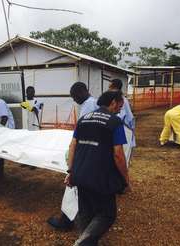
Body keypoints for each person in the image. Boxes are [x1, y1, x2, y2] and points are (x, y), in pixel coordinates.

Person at [65, 90, 129, 246]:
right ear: (113, 102)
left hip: (80, 173)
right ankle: (82, 242)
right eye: (119, 106)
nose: (120, 110)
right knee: (107, 214)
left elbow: (73, 145)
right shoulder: (114, 122)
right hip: (101, 176)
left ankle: (87, 241)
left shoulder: (84, 119)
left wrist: (71, 171)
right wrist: (126, 179)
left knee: (86, 212)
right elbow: (118, 154)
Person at [47, 82, 98, 230]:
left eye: (75, 97)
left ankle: (66, 221)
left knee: (73, 185)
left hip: (85, 152)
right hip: (94, 152)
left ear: (82, 92)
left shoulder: (88, 106)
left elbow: (82, 133)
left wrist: (73, 156)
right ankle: (87, 216)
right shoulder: (94, 103)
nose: (74, 100)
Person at [109, 78, 136, 147]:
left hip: (124, 131)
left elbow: (120, 117)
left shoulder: (120, 100)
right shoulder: (121, 99)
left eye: (110, 87)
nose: (109, 90)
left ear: (115, 88)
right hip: (124, 130)